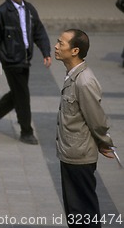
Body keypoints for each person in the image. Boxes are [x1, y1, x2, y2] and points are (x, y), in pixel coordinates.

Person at [53, 28, 116, 228]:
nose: (56, 46)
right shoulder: (72, 75)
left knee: (83, 211)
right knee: (75, 212)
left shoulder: (84, 81)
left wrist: (105, 143)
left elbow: (97, 119)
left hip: (79, 156)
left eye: (61, 43)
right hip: (70, 153)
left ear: (75, 50)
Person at [0, 0, 51, 145]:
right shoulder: (1, 12)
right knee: (23, 95)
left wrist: (46, 52)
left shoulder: (29, 9)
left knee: (18, 93)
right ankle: (26, 131)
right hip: (10, 59)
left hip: (25, 58)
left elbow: (39, 32)